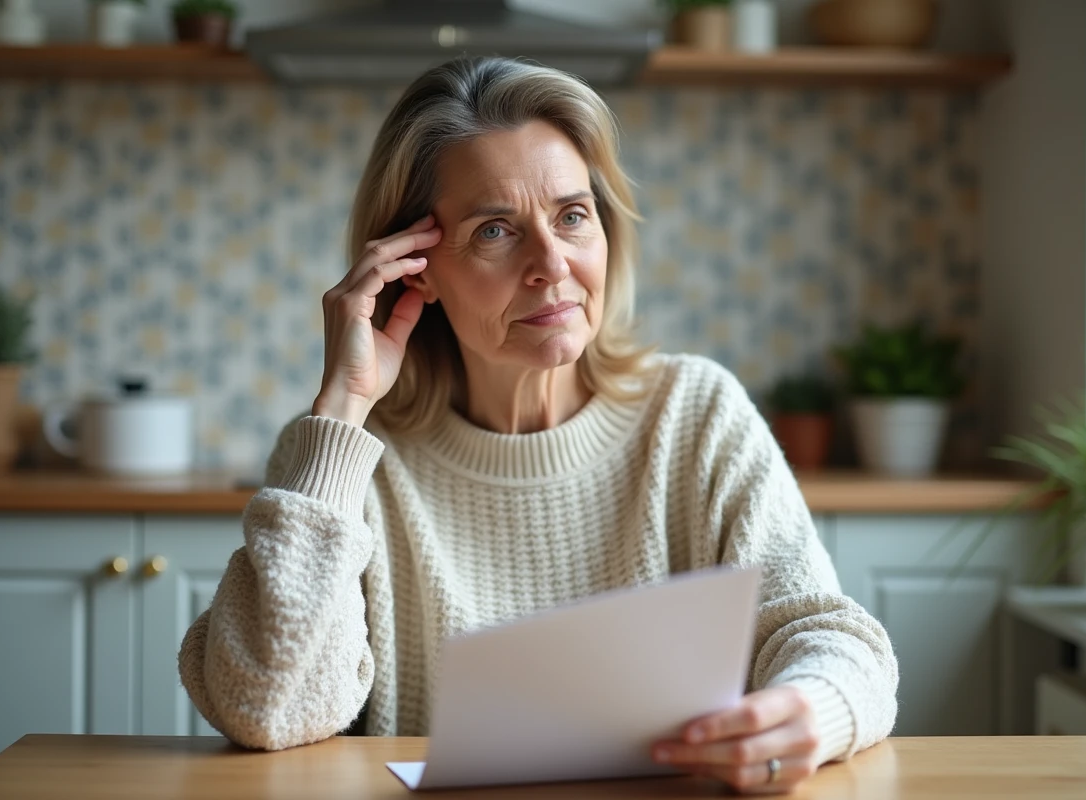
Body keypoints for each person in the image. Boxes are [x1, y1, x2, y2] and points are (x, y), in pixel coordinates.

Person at [179, 56, 898, 794]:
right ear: (415, 268)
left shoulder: (697, 413)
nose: (552, 265)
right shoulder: (346, 457)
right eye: (496, 230)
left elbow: (830, 638)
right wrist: (341, 406)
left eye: (572, 216)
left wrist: (816, 707)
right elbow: (264, 706)